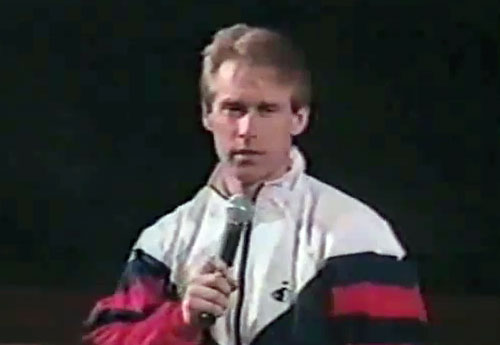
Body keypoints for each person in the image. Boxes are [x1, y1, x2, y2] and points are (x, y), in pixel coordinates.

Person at [83, 23, 428, 345]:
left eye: (266, 110)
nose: (247, 129)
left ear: (299, 118)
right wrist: (181, 320)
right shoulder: (166, 240)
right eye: (233, 108)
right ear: (207, 115)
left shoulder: (356, 234)